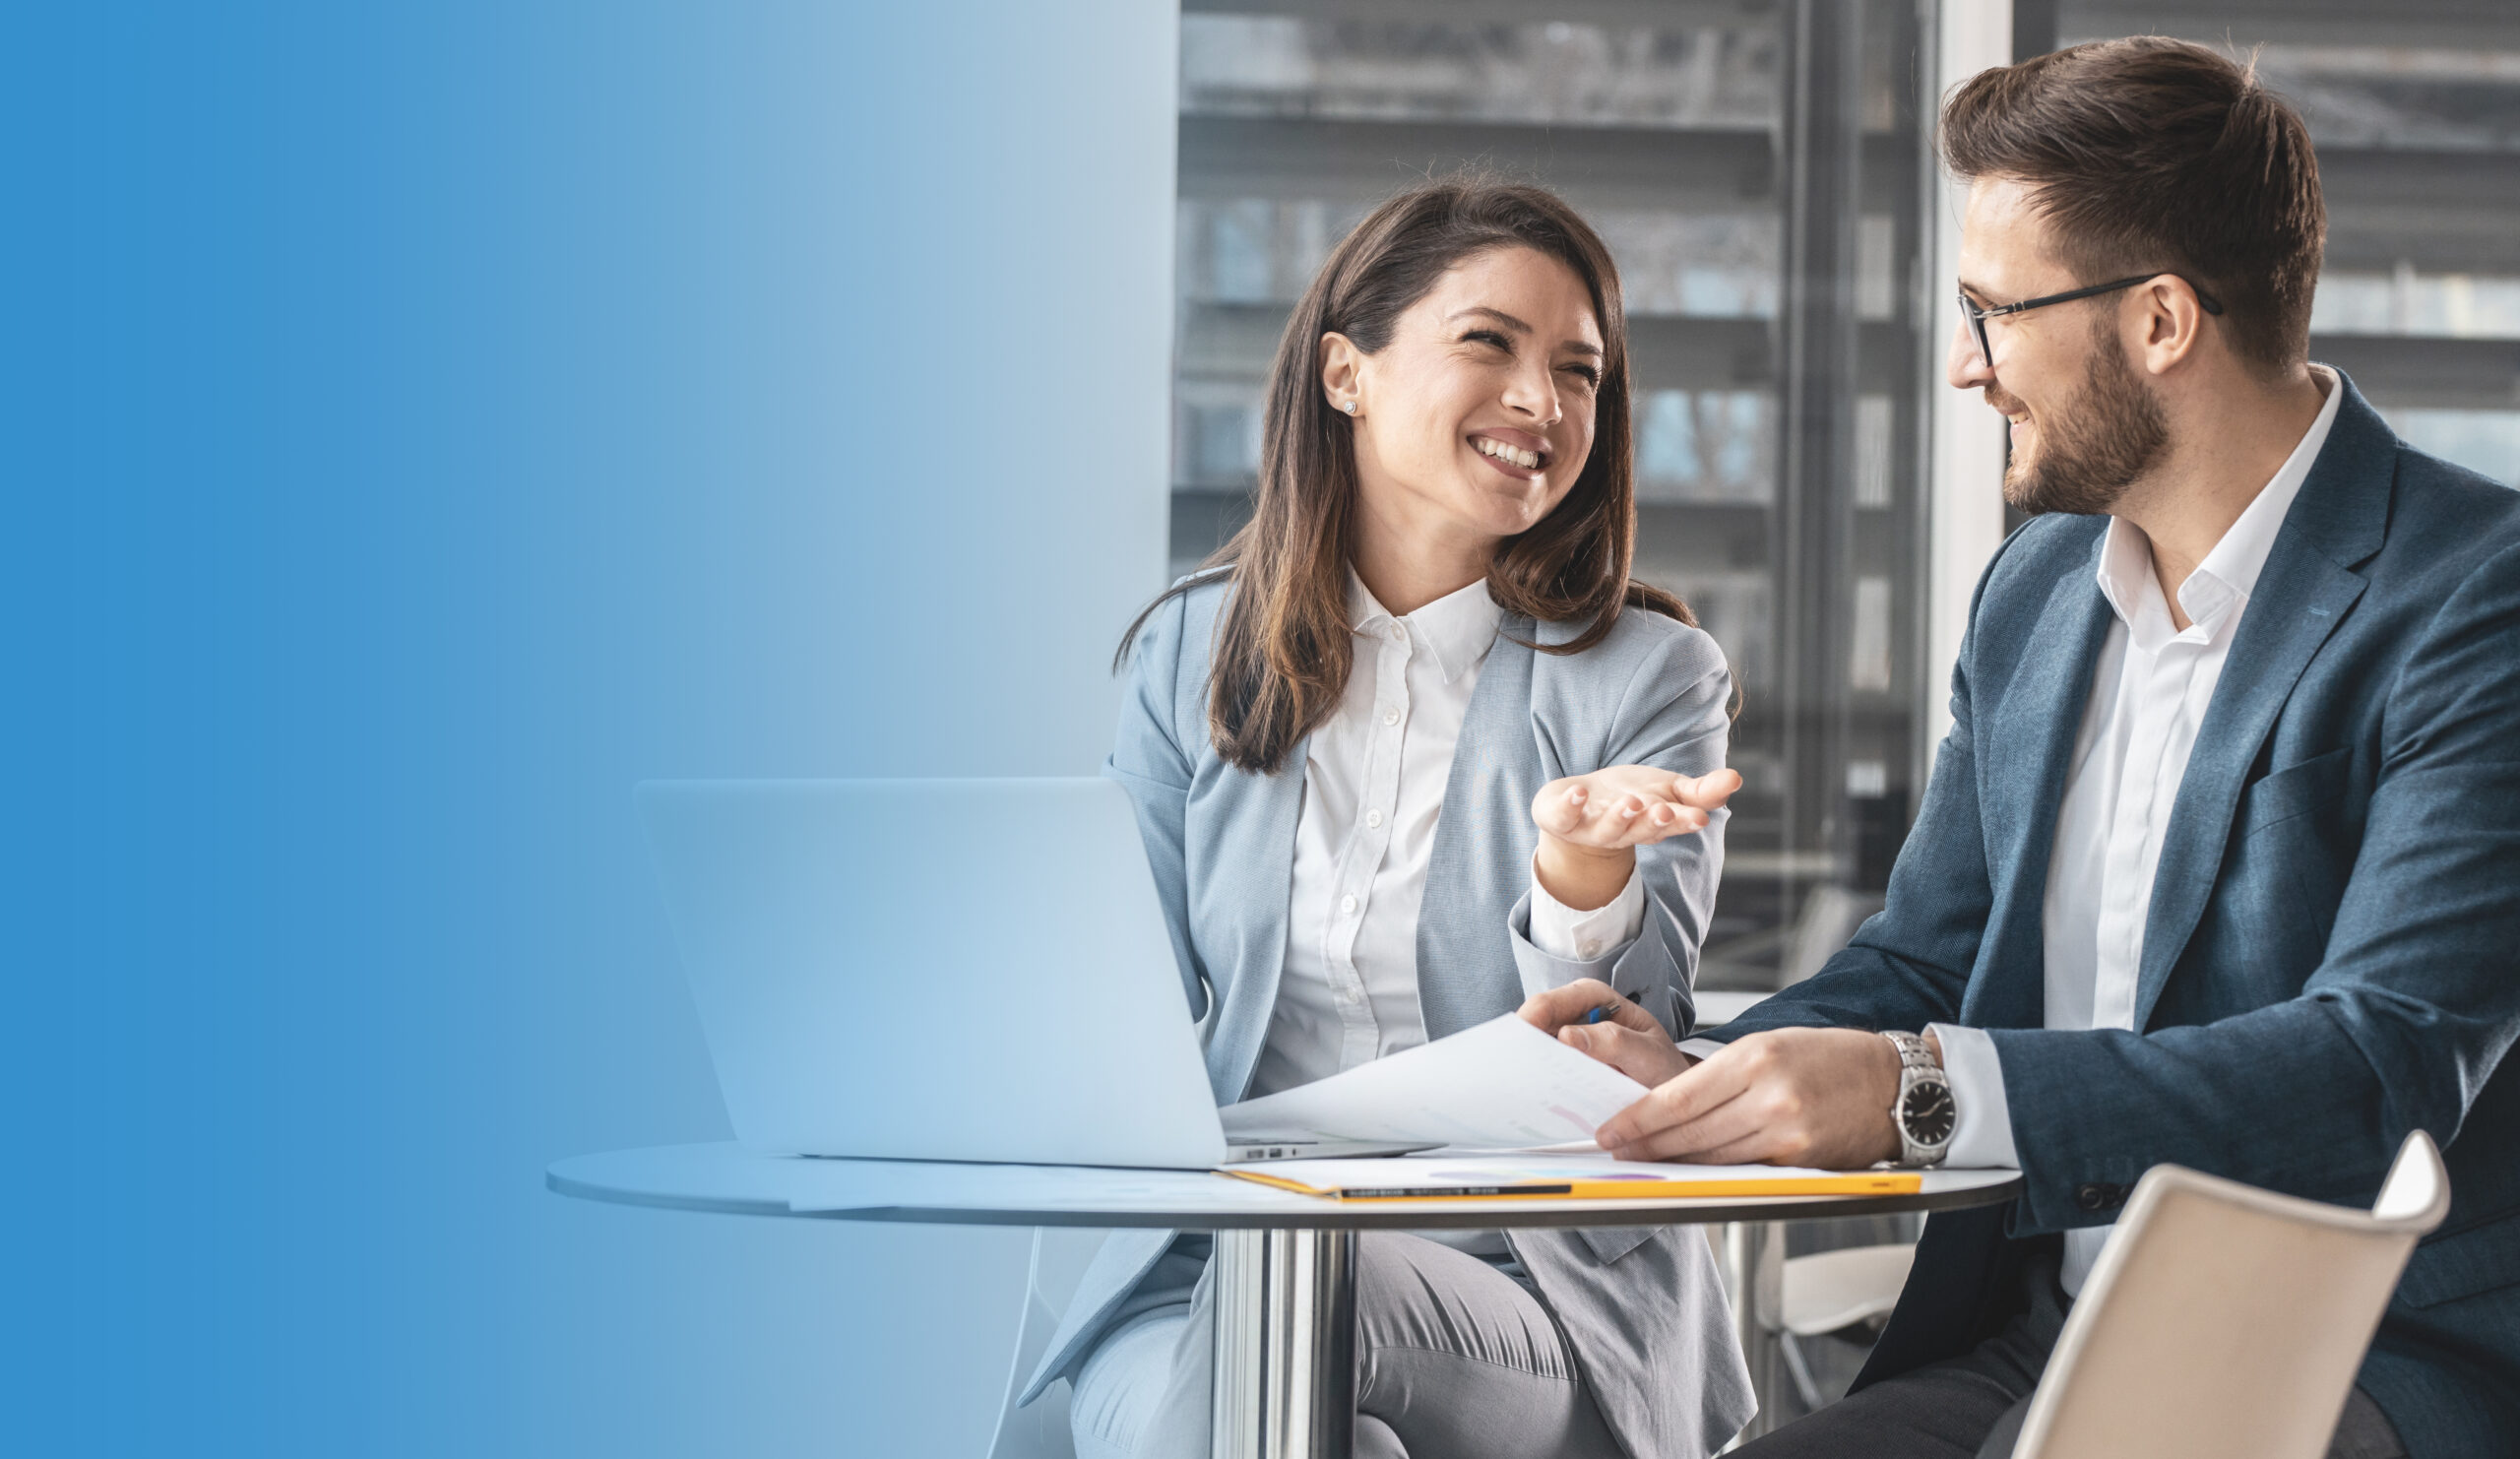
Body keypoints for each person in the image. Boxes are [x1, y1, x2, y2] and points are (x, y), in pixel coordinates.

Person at [1524, 37, 2520, 1459]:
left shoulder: (2475, 593)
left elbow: (2379, 1069)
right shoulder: (2039, 592)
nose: (1960, 363)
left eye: (1992, 311)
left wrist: (1923, 1096)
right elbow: (1928, 961)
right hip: (2045, 1340)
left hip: (2351, 1352)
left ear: (2162, 320)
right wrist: (1702, 1070)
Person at [1014, 179, 1758, 1459]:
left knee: (1313, 1288)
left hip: (1531, 1288)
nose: (1544, 400)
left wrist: (1580, 864)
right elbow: (1112, 995)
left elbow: (1632, 1052)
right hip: (1200, 1266)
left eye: (1580, 372)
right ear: (1345, 375)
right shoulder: (1192, 650)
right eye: (1491, 343)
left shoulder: (1649, 676)